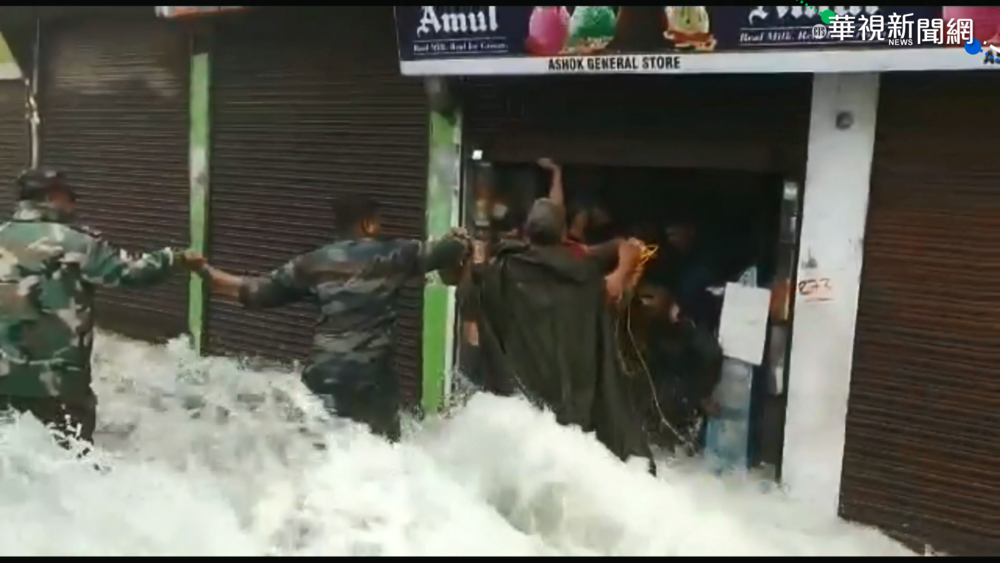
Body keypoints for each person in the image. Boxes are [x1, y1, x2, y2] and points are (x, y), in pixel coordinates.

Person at [195, 195, 471, 441]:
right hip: (371, 380)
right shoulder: (394, 253)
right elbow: (450, 250)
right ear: (368, 225)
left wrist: (205, 271)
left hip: (324, 376)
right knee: (381, 453)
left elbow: (253, 292)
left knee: (322, 448)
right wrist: (459, 237)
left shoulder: (312, 263)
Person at [0, 168, 203, 450]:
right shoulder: (75, 242)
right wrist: (175, 258)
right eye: (68, 198)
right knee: (70, 460)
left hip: (3, 376)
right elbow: (130, 273)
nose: (73, 205)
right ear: (51, 198)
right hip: (57, 382)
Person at [470, 197, 655, 468]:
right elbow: (625, 256)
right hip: (575, 400)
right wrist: (619, 276)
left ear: (526, 233)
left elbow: (471, 302)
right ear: (563, 234)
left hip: (523, 401)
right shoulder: (585, 277)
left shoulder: (501, 272)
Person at [632, 277, 723, 452]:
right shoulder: (633, 331)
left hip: (674, 420)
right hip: (641, 419)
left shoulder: (683, 336)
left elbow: (712, 354)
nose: (645, 304)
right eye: (641, 298)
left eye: (650, 298)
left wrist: (701, 395)